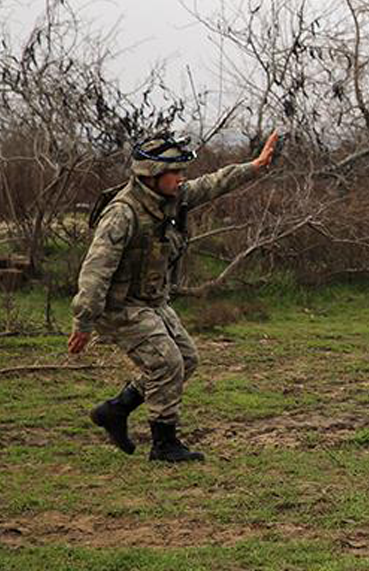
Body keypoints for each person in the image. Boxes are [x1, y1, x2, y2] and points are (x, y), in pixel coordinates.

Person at [70, 129, 278, 462]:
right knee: (166, 362)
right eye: (175, 172)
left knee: (186, 359)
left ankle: (115, 410)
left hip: (151, 302)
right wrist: (84, 321)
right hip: (119, 307)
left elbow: (213, 183)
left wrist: (254, 166)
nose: (182, 178)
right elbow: (95, 271)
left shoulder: (171, 198)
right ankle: (164, 444)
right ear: (152, 176)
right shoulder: (122, 214)